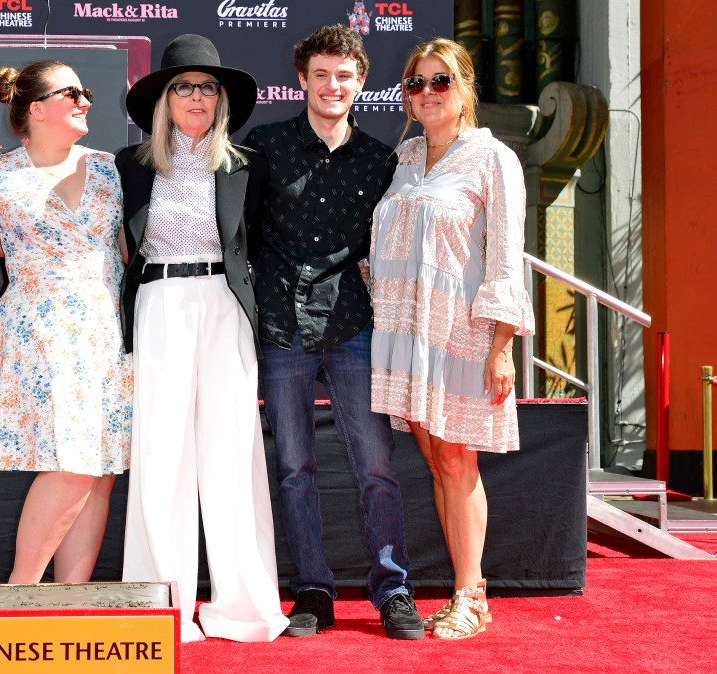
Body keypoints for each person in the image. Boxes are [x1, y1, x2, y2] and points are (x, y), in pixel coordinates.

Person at [242, 24, 423, 639]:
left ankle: (393, 588)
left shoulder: (380, 160)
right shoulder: (264, 146)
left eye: (344, 75)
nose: (332, 85)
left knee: (375, 464)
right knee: (294, 466)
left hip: (352, 325)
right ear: (301, 80)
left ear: (360, 82)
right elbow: (238, 232)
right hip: (282, 327)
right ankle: (313, 590)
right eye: (320, 74)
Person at [117, 33, 288, 643]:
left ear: (222, 100)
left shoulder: (247, 166)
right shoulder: (127, 167)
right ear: (164, 99)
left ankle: (244, 609)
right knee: (161, 456)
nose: (197, 97)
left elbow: (262, 250)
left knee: (232, 455)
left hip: (224, 305)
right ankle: (160, 610)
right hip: (159, 304)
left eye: (208, 88)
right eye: (184, 86)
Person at [369, 37, 534, 639]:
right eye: (417, 83)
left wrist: (502, 346)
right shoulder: (406, 156)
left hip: (460, 331)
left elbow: (506, 258)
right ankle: (467, 591)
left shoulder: (493, 158)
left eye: (441, 81)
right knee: (437, 460)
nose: (428, 93)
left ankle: (472, 595)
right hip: (404, 332)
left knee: (458, 457)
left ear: (465, 89)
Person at [0, 61, 132, 584]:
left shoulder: (111, 168)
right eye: (73, 93)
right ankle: (20, 594)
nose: (87, 100)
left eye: (86, 91)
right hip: (41, 334)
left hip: (105, 335)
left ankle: (71, 600)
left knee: (99, 472)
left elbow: (133, 250)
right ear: (35, 109)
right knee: (72, 463)